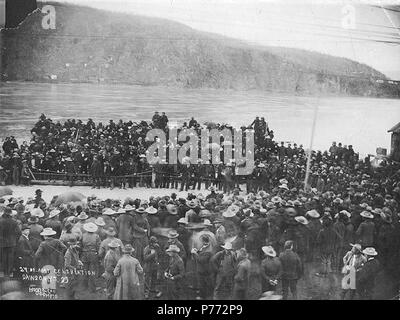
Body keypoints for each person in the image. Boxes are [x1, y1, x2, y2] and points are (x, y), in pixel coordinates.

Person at [0, 207, 22, 277]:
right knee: (11, 257)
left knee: (3, 257)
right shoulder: (14, 221)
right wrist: (16, 240)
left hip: (2, 242)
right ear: (10, 213)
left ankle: (4, 272)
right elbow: (19, 232)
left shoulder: (0, 221)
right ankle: (10, 272)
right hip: (12, 242)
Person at [191, 234, 213, 299]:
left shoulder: (208, 250)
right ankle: (202, 292)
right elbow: (201, 252)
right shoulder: (205, 246)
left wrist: (194, 253)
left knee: (202, 282)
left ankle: (202, 296)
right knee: (202, 282)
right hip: (201, 268)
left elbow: (201, 260)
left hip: (203, 269)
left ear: (204, 241)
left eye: (201, 241)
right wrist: (197, 251)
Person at [81, 222, 101, 293]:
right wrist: (99, 256)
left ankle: (84, 286)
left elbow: (80, 246)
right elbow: (99, 246)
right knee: (93, 271)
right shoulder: (96, 236)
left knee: (85, 270)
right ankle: (93, 288)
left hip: (84, 253)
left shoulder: (83, 235)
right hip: (93, 254)